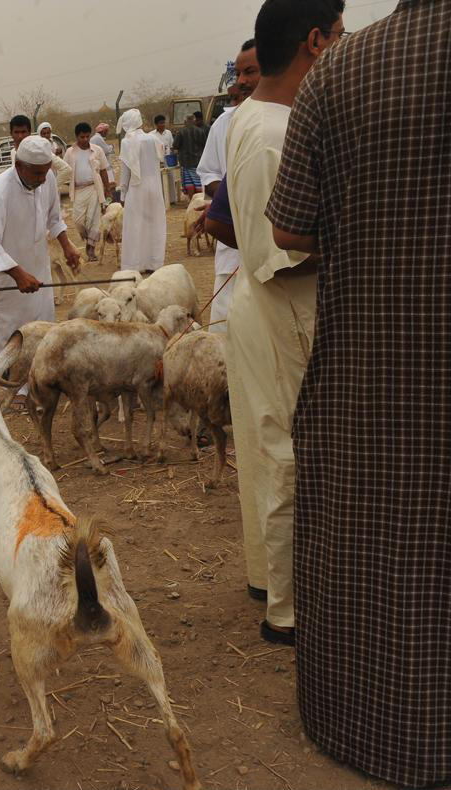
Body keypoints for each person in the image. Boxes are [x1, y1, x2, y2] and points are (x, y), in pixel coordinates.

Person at [269, 2, 449, 784]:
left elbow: (290, 230)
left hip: (374, 363)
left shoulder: (341, 69)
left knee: (380, 544)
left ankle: (371, 728)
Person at [225, 0, 343, 648]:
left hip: (265, 303)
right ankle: (288, 612)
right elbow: (287, 254)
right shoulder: (273, 134)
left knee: (270, 453)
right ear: (317, 42)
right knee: (289, 458)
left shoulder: (261, 117)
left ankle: (274, 583)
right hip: (283, 303)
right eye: (342, 36)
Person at [0, 136, 81, 357]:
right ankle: (13, 390)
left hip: (37, 273)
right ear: (19, 166)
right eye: (36, 174)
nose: (42, 179)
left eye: (45, 172)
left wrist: (67, 245)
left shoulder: (47, 178)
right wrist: (17, 274)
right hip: (4, 280)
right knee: (7, 348)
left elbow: (54, 218)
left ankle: (34, 388)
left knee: (41, 339)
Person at [197, 38, 261, 334]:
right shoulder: (223, 125)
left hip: (277, 251)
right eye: (239, 74)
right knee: (228, 328)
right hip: (232, 244)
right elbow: (208, 174)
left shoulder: (291, 118)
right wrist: (227, 199)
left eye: (251, 72)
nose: (242, 81)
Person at [117, 109, 167, 273]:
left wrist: (123, 193)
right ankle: (154, 262)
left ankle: (135, 264)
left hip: (136, 187)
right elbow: (161, 159)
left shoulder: (126, 142)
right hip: (154, 186)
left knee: (135, 225)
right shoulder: (153, 138)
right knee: (154, 222)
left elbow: (125, 172)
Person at [63, 121, 112, 262]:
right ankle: (88, 238)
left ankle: (91, 248)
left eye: (87, 137)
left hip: (94, 189)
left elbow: (103, 170)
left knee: (93, 220)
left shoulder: (97, 150)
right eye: (81, 137)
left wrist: (107, 189)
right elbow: (65, 170)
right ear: (77, 137)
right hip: (78, 190)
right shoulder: (70, 152)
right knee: (78, 220)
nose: (85, 140)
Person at [173, 113, 209, 198]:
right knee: (198, 181)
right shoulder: (200, 131)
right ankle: (200, 199)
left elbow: (175, 145)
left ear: (185, 121)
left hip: (185, 162)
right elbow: (205, 145)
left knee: (189, 182)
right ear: (194, 120)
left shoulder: (181, 132)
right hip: (198, 161)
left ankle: (191, 201)